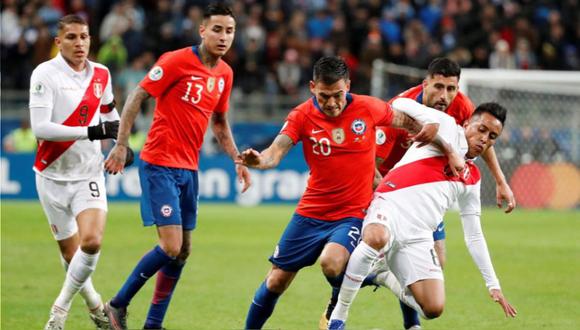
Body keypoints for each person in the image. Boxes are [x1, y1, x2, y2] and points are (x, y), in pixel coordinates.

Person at [237, 56, 443, 330]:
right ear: (312, 87)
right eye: (324, 96)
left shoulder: (369, 107)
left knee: (332, 263)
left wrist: (438, 138)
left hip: (352, 213)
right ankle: (371, 275)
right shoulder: (301, 116)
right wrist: (258, 161)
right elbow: (274, 152)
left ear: (348, 85)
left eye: (338, 95)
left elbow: (408, 121)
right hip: (310, 212)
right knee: (276, 281)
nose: (332, 103)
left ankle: (345, 306)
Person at [321, 58, 517, 330]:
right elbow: (395, 108)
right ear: (467, 123)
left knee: (434, 307)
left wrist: (493, 284)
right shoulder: (445, 121)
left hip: (421, 228)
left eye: (492, 136)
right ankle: (338, 318)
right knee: (376, 238)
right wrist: (444, 144)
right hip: (389, 197)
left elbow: (474, 234)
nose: (484, 138)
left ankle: (385, 279)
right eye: (481, 129)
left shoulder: (472, 176)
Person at [103, 4, 251, 330]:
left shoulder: (224, 74)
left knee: (182, 251)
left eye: (229, 31)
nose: (223, 37)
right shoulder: (175, 60)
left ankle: (153, 324)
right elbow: (136, 96)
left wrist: (237, 159)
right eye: (217, 29)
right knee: (170, 246)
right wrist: (122, 143)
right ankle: (116, 305)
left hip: (189, 168)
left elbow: (221, 123)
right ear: (202, 30)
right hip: (159, 163)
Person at [29, 15, 122, 330]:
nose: (79, 43)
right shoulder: (45, 74)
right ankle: (96, 306)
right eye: (71, 37)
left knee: (92, 242)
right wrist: (93, 131)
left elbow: (110, 113)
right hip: (52, 177)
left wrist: (120, 144)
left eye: (84, 37)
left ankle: (59, 312)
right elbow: (41, 129)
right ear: (59, 42)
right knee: (72, 256)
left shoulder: (102, 74)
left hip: (88, 174)